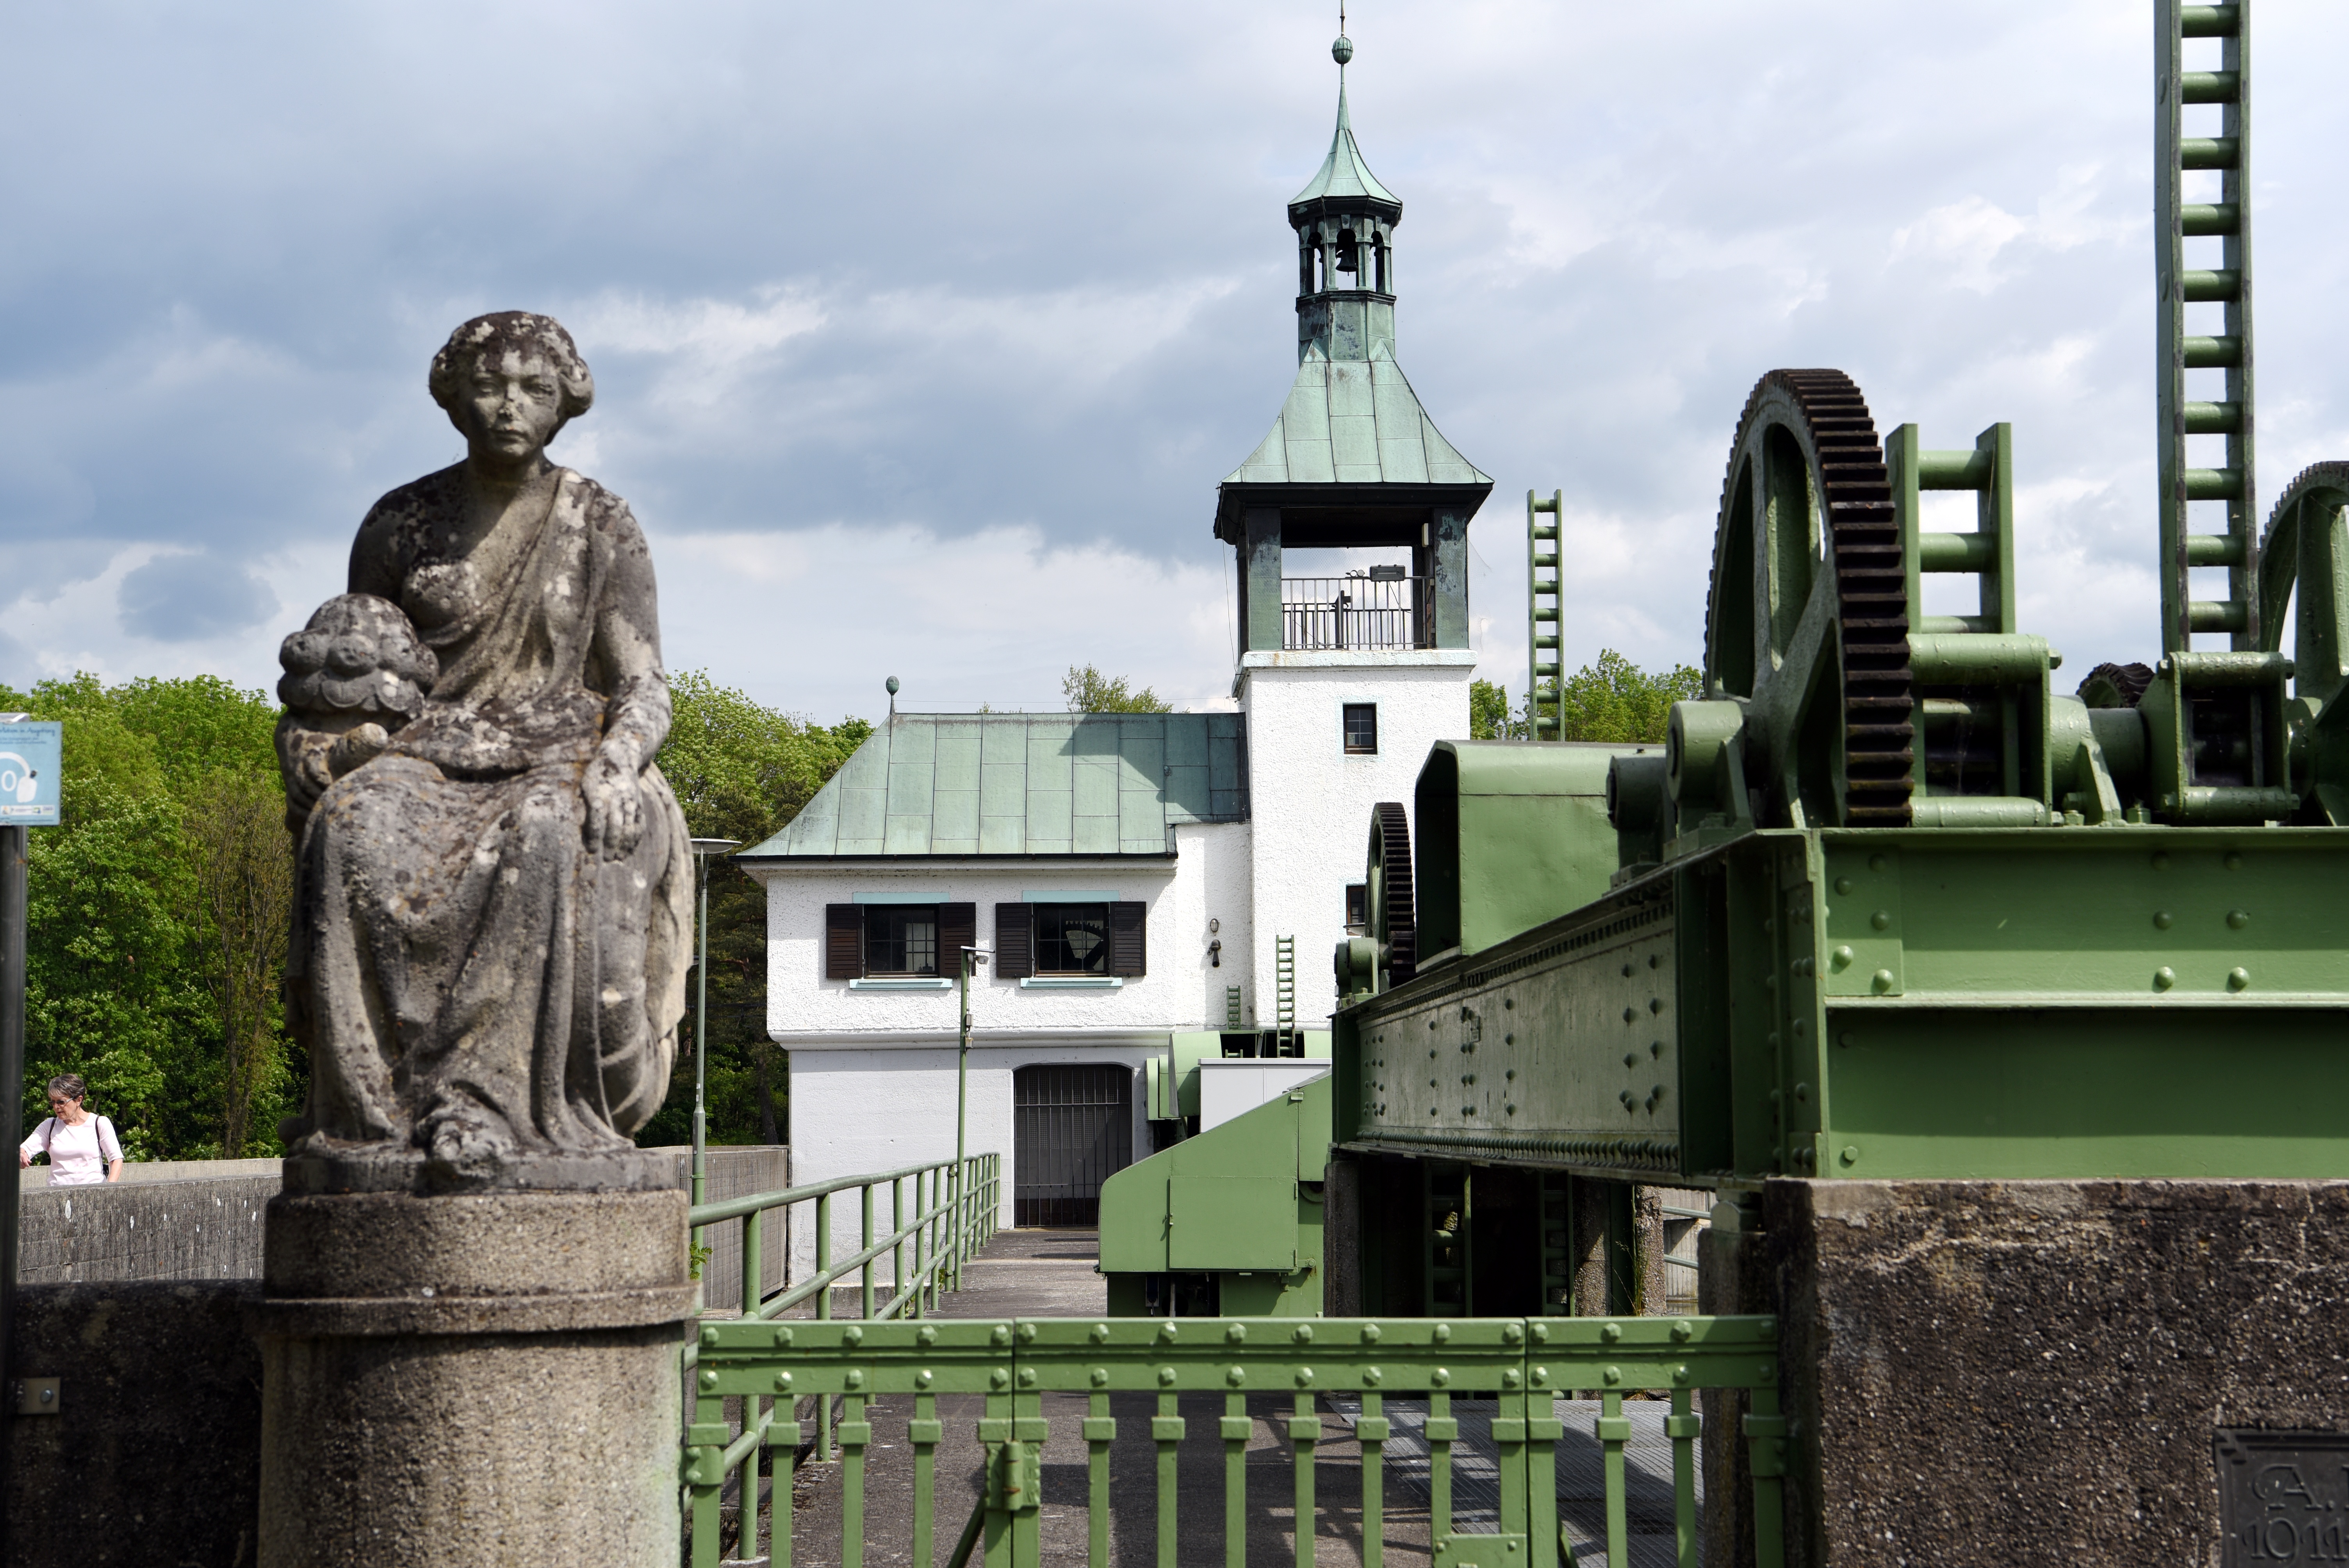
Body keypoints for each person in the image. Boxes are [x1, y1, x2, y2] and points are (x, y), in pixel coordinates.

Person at [275, 312, 691, 1186]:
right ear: (455, 399)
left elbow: (644, 681)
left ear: (564, 401)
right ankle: (372, 1113)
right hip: (429, 754)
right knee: (351, 822)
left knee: (546, 829)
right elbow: (364, 672)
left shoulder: (599, 520)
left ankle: (495, 1100)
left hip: (555, 750)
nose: (510, 406)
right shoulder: (400, 522)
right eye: (490, 386)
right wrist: (333, 746)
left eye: (534, 389)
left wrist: (617, 760)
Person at [18, 1074, 125, 1186]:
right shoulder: (50, 1125)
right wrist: (21, 1156)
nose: (56, 1107)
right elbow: (25, 1149)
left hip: (92, 1194)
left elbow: (116, 1159)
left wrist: (108, 1189)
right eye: (53, 1102)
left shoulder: (99, 1123)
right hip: (57, 1196)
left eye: (61, 1102)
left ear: (78, 1100)